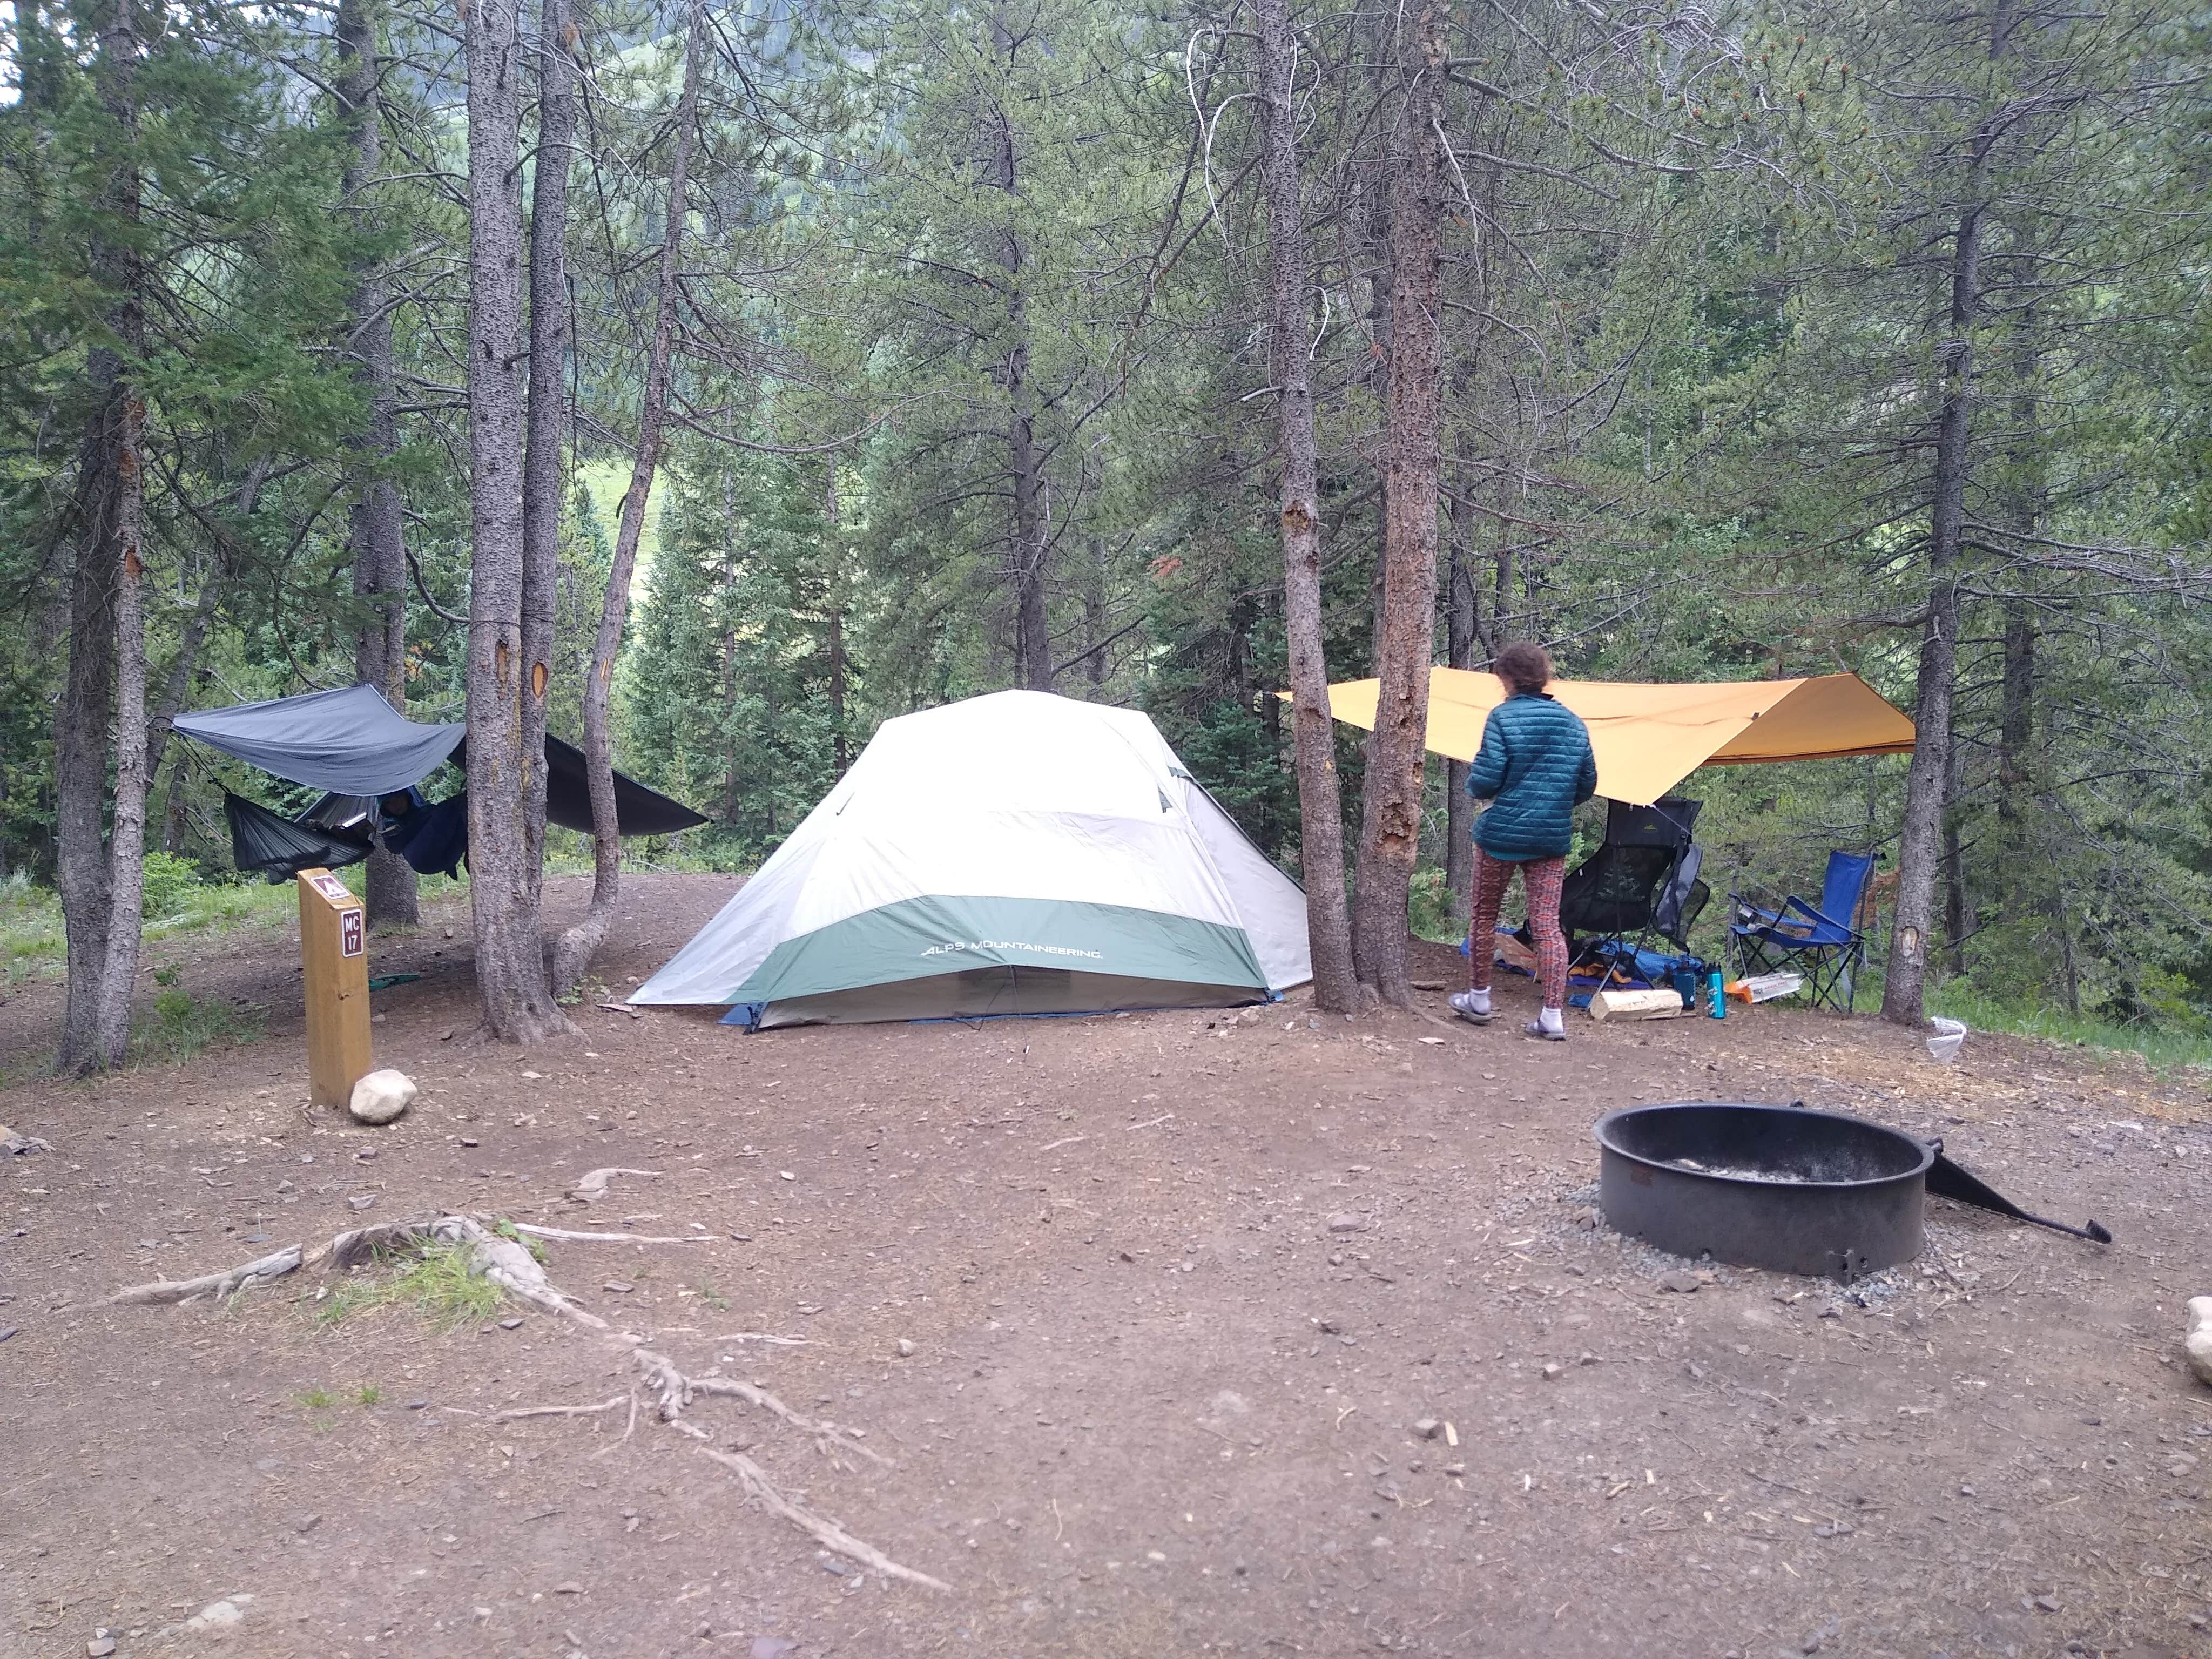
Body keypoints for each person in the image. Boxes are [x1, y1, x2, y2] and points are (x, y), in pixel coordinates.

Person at [1449, 642, 1596, 1041]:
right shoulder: (1573, 723)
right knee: (1548, 927)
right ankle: (1552, 1016)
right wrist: (1551, 803)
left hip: (1501, 836)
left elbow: (1484, 783)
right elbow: (1586, 785)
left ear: (1508, 679)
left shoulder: (1502, 718)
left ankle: (1479, 999)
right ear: (1544, 676)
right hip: (1551, 838)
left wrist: (1479, 782)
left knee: (1484, 917)